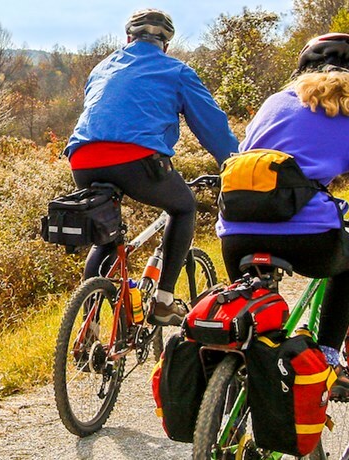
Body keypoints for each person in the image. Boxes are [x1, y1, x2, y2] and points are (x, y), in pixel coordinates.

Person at [216, 33, 349, 396]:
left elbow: (244, 158)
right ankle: (328, 356)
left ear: (300, 70)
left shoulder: (273, 104)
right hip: (307, 239)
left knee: (256, 319)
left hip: (234, 233)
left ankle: (238, 387)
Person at [64, 8, 239, 326]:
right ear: (166, 44)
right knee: (184, 207)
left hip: (82, 159)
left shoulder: (102, 68)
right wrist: (234, 163)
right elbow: (212, 126)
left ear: (128, 38)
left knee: (107, 235)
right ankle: (162, 302)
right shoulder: (176, 71)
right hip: (136, 161)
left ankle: (89, 326)